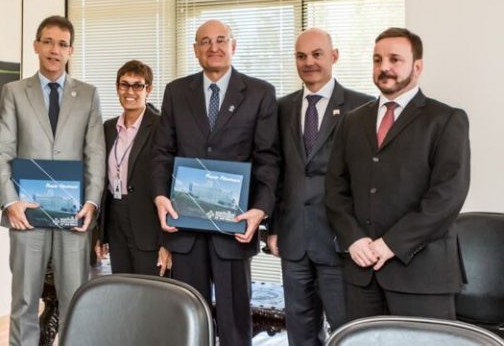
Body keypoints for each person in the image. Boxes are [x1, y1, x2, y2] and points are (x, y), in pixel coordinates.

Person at [326, 27, 470, 321]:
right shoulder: (353, 121)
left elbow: (447, 197)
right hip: (361, 272)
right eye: (377, 60)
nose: (384, 67)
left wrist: (391, 244)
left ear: (417, 66)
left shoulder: (445, 120)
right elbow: (335, 189)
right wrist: (353, 239)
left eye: (395, 59)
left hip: (422, 275)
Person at [152, 19, 280, 346]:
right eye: (205, 41)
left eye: (221, 39)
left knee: (235, 320)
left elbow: (268, 159)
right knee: (186, 318)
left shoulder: (260, 93)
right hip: (186, 228)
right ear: (196, 51)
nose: (214, 47)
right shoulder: (176, 92)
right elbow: (162, 153)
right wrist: (159, 197)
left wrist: (260, 210)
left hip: (234, 228)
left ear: (233, 46)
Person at [0, 15, 104, 346]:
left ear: (71, 50)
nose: (54, 50)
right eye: (48, 42)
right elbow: (3, 152)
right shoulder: (13, 92)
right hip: (27, 215)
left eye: (62, 44)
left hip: (74, 216)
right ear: (36, 46)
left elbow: (95, 153)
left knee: (74, 301)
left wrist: (92, 202)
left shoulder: (88, 95)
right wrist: (10, 202)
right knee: (24, 303)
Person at [267, 28, 371, 345]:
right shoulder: (281, 108)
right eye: (301, 56)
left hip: (339, 241)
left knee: (345, 327)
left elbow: (367, 179)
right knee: (299, 327)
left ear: (334, 56)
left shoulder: (362, 106)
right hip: (293, 239)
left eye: (317, 54)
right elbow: (276, 171)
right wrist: (272, 228)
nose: (309, 62)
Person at [95, 60, 171, 276]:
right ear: (117, 88)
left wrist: (167, 243)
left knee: (150, 294)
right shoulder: (108, 128)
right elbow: (102, 181)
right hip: (116, 220)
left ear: (149, 89)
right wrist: (101, 234)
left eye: (138, 85)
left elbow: (170, 183)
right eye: (124, 85)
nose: (130, 91)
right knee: (123, 288)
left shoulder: (161, 126)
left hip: (148, 223)